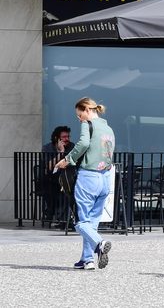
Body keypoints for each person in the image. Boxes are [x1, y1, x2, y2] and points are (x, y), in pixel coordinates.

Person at [54, 97, 115, 270]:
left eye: (79, 115)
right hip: (105, 177)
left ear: (87, 110)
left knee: (81, 221)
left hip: (88, 176)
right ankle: (87, 260)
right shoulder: (108, 128)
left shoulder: (87, 124)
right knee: (92, 222)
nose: (79, 119)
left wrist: (67, 159)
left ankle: (100, 244)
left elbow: (83, 143)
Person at [40, 126, 75, 222]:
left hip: (67, 178)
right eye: (64, 137)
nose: (67, 139)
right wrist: (61, 153)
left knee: (65, 191)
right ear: (56, 138)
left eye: (68, 136)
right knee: (55, 190)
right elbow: (49, 167)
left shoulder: (72, 146)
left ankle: (62, 219)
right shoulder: (47, 148)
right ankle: (55, 215)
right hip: (50, 180)